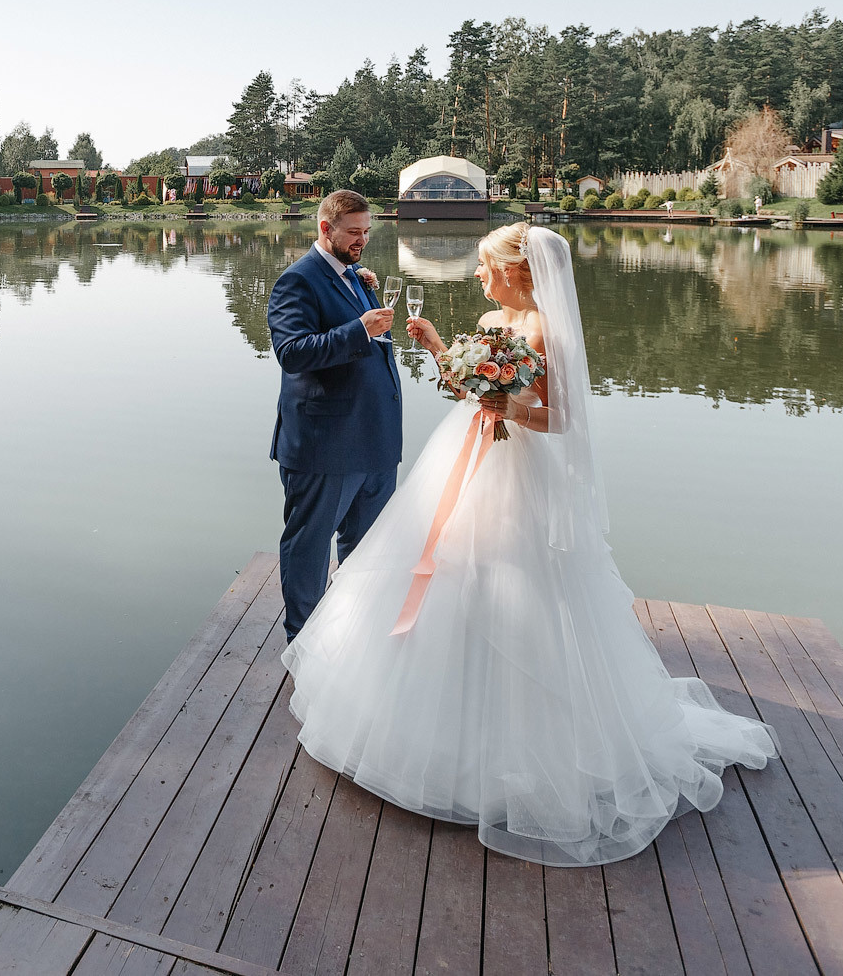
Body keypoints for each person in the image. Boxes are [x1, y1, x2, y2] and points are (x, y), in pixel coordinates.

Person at [283, 222, 774, 866]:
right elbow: (471, 388)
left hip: (519, 473)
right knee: (450, 576)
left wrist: (502, 403)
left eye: (487, 267)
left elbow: (560, 417)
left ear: (518, 272)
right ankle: (440, 733)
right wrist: (438, 349)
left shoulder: (546, 331)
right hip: (469, 456)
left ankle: (519, 752)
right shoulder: (494, 318)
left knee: (517, 585)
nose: (480, 277)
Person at [266, 189, 402, 644]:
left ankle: (351, 639)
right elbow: (292, 353)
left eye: (367, 231)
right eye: (354, 232)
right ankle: (302, 645)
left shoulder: (356, 277)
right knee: (308, 547)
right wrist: (359, 329)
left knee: (366, 552)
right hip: (324, 444)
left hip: (375, 440)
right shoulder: (297, 281)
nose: (363, 240)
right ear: (325, 228)